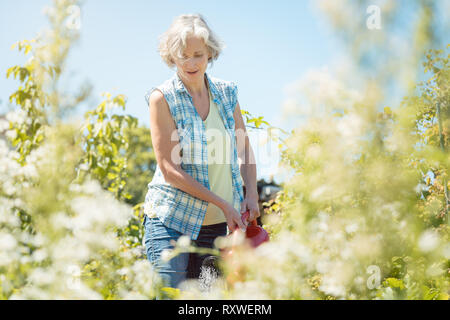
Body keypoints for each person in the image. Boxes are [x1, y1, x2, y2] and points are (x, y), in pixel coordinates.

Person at [142, 13, 259, 289]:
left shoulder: (227, 93)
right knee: (172, 295)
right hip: (171, 222)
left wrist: (251, 193)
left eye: (198, 54)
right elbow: (170, 170)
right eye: (183, 56)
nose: (191, 63)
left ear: (210, 53)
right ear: (172, 56)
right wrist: (222, 202)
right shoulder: (163, 98)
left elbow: (244, 148)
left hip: (217, 228)